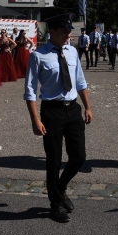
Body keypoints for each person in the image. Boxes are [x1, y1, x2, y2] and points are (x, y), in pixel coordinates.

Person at [24, 13, 93, 223]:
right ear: (52, 32)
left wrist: (88, 107)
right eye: (64, 32)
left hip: (72, 109)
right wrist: (35, 119)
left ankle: (60, 188)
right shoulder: (38, 56)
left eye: (69, 32)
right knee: (54, 159)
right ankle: (56, 204)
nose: (68, 36)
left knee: (79, 157)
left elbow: (80, 81)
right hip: (52, 112)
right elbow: (30, 90)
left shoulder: (72, 52)